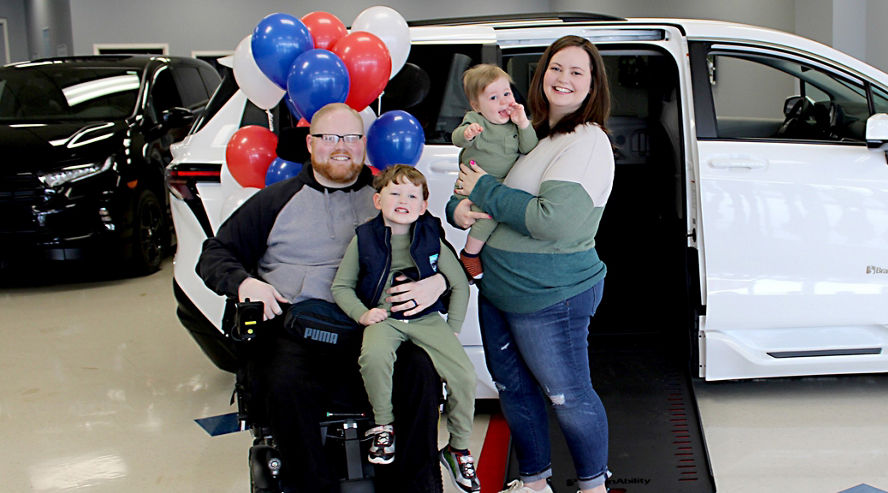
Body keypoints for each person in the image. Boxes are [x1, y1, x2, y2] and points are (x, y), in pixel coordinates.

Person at [198, 102, 447, 493]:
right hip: (298, 333)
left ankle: (413, 487)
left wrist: (438, 283)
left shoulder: (389, 197)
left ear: (363, 144)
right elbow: (214, 254)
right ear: (311, 144)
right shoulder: (274, 202)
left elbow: (437, 252)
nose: (341, 147)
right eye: (330, 138)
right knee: (280, 381)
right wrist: (247, 284)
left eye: (350, 138)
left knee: (421, 371)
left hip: (377, 329)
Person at [449, 36, 614, 493]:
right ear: (540, 76)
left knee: (567, 396)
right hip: (500, 289)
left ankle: (593, 486)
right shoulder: (533, 134)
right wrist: (457, 210)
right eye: (555, 68)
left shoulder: (586, 142)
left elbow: (552, 221)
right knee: (515, 392)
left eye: (576, 72)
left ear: (592, 85)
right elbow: (474, 184)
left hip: (548, 296)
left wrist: (481, 192)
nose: (563, 79)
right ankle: (534, 481)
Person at [331, 164, 480, 492]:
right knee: (373, 358)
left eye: (412, 195)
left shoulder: (429, 236)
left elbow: (459, 283)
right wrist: (363, 314)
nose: (403, 199)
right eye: (394, 192)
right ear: (377, 200)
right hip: (386, 319)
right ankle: (383, 427)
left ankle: (458, 447)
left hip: (426, 320)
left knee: (465, 377)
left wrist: (452, 327)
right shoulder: (365, 238)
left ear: (423, 206)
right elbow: (341, 286)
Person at [451, 63, 539, 281]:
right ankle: (469, 254)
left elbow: (529, 148)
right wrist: (468, 133)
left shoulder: (513, 124)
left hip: (496, 185)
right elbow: (457, 138)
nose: (504, 101)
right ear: (476, 106)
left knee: (495, 211)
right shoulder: (476, 120)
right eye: (493, 98)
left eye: (507, 93)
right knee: (488, 217)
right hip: (473, 185)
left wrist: (523, 124)